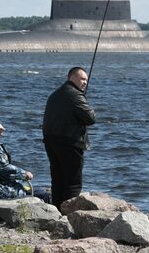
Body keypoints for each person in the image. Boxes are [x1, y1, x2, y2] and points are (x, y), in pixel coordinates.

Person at [42, 66, 96, 210]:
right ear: (71, 77)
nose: (85, 82)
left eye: (86, 79)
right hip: (70, 143)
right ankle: (69, 214)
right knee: (73, 182)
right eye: (82, 79)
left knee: (58, 179)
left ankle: (57, 210)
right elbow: (90, 118)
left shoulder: (55, 94)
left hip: (51, 141)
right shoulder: (74, 94)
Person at [0, 117, 50, 202]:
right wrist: (24, 174)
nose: (1, 134)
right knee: (42, 193)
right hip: (1, 190)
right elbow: (3, 169)